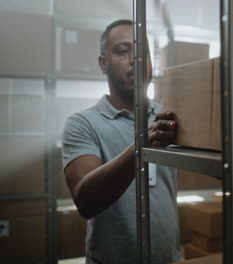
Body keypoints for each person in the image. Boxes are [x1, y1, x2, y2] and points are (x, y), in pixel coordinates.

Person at [61, 19, 180, 264]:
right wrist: (143, 144)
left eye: (142, 53)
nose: (135, 60)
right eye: (123, 51)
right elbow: (85, 202)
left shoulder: (169, 117)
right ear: (103, 63)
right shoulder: (82, 124)